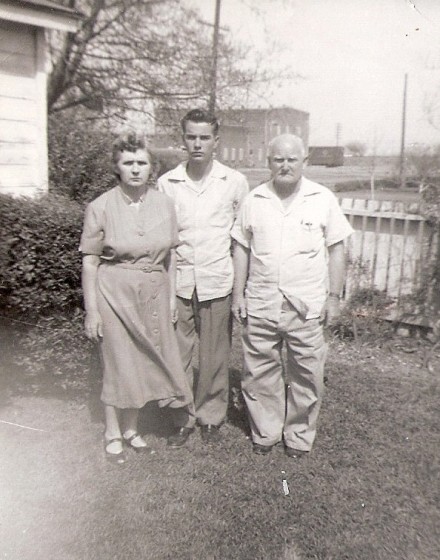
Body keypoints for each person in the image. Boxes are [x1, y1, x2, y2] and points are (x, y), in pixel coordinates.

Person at [231, 134, 353, 458]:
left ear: (304, 161)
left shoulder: (322, 198)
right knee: (259, 370)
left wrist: (334, 297)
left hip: (307, 304)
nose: (285, 166)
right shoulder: (254, 200)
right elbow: (241, 248)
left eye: (291, 160)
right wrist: (237, 295)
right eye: (278, 160)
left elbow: (338, 249)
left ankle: (298, 435)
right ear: (268, 162)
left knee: (307, 373)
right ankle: (266, 431)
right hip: (260, 300)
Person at [80, 130, 194, 463]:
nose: (135, 169)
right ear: (117, 167)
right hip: (114, 294)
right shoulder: (99, 207)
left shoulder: (165, 205)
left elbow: (171, 257)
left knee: (143, 362)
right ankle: (112, 433)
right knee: (118, 363)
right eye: (128, 162)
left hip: (155, 292)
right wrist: (92, 311)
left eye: (141, 162)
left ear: (151, 167)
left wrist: (171, 299)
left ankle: (131, 429)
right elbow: (90, 262)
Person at [158, 109, 249, 446]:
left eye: (204, 137)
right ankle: (181, 416)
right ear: (183, 139)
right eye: (191, 137)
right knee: (178, 354)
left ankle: (210, 415)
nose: (197, 144)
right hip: (177, 281)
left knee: (214, 354)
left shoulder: (235, 182)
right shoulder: (168, 182)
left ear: (216, 141)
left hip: (217, 279)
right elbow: (163, 238)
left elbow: (241, 238)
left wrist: (241, 288)